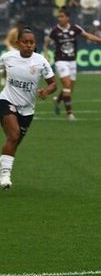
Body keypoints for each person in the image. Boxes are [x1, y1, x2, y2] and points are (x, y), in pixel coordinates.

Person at [0, 27, 57, 189]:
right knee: (13, 134)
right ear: (18, 43)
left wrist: (46, 91)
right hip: (6, 101)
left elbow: (53, 83)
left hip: (28, 109)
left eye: (32, 42)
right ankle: (5, 177)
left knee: (14, 142)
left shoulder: (41, 61)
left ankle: (3, 166)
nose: (29, 45)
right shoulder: (8, 57)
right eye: (25, 42)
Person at [42, 8, 101, 121]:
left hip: (72, 61)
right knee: (66, 84)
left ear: (67, 18)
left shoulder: (75, 28)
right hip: (60, 61)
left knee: (69, 88)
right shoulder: (55, 30)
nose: (60, 18)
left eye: (62, 16)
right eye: (59, 17)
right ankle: (69, 114)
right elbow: (46, 43)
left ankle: (57, 100)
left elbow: (88, 36)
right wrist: (46, 53)